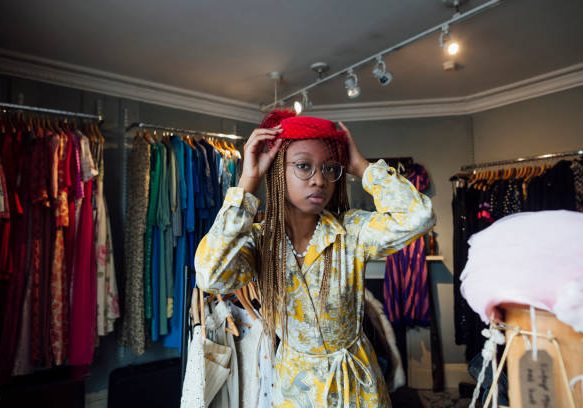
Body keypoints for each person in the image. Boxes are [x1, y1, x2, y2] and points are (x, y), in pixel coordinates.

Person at [195, 110, 435, 407]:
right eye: (304, 166)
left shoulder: (352, 232)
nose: (319, 180)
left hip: (357, 389)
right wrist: (248, 182)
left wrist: (361, 167)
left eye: (329, 168)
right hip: (297, 392)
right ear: (278, 170)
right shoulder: (259, 241)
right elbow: (210, 275)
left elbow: (419, 216)